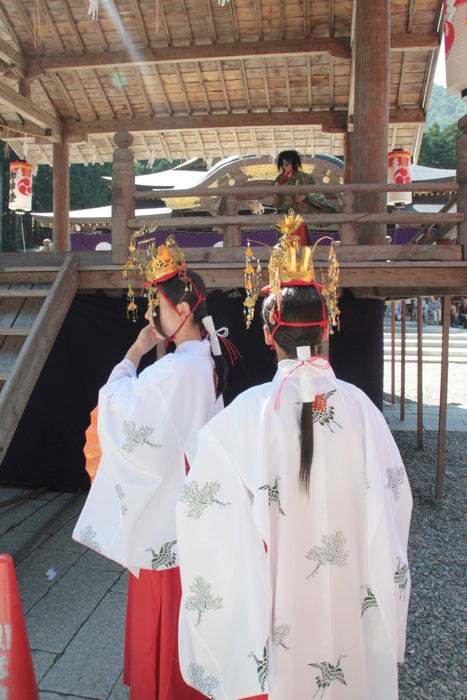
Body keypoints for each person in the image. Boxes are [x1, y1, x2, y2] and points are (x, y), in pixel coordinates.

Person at [176, 224, 412, 700]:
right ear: (326, 328)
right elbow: (394, 507)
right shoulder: (363, 410)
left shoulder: (244, 416)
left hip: (280, 598)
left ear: (268, 335)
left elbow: (202, 512)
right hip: (349, 591)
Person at [73, 235, 227, 700]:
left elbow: (119, 406)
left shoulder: (175, 370)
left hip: (169, 520)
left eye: (155, 307)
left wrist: (136, 351)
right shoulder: (207, 356)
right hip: (193, 516)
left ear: (181, 310)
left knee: (167, 613)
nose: (150, 316)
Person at [272, 150, 338, 245]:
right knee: (283, 244)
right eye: (283, 164)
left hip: (298, 216)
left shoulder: (304, 178)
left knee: (300, 243)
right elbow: (275, 198)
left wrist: (305, 195)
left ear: (293, 164)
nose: (284, 166)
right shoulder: (279, 179)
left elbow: (317, 193)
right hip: (283, 216)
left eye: (287, 164)